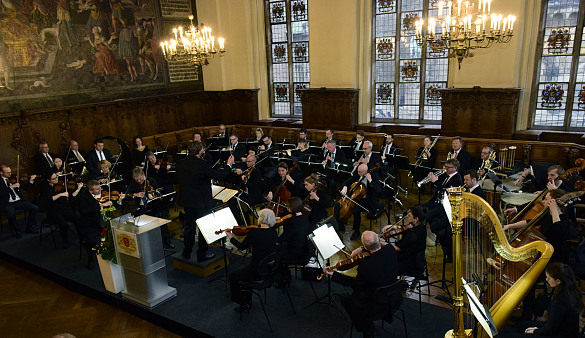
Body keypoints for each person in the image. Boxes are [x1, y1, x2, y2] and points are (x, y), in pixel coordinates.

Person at [324, 230, 398, 338]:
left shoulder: (366, 268)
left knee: (346, 298)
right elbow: (382, 245)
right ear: (378, 239)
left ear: (366, 248)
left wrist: (334, 275)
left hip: (374, 302)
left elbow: (354, 284)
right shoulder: (390, 249)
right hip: (393, 296)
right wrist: (365, 247)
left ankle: (365, 326)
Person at [175, 141, 234, 261]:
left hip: (187, 200)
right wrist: (228, 165)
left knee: (189, 227)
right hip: (202, 202)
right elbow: (219, 176)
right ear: (200, 150)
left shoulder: (181, 163)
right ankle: (201, 254)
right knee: (203, 228)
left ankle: (187, 252)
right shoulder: (203, 164)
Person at [500, 262, 583, 337]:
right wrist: (537, 328)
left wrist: (535, 331)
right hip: (559, 329)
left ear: (558, 281)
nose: (546, 280)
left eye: (549, 278)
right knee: (521, 325)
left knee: (507, 336)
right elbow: (553, 324)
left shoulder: (560, 301)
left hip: (558, 335)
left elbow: (549, 330)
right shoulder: (572, 291)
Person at [226, 208, 278, 312]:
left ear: (260, 219)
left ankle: (243, 302)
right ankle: (246, 298)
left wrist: (231, 237)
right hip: (268, 269)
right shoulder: (274, 232)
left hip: (256, 271)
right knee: (244, 272)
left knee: (233, 276)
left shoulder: (254, 233)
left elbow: (241, 247)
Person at [503, 189, 572, 264]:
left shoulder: (563, 218)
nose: (543, 201)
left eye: (546, 199)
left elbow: (558, 235)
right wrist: (509, 226)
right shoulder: (548, 214)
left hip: (554, 258)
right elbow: (529, 222)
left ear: (553, 202)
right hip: (543, 252)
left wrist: (554, 210)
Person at [119, 167, 174, 248]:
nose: (139, 181)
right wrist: (135, 195)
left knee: (161, 220)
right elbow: (127, 195)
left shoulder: (151, 180)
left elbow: (158, 193)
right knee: (138, 220)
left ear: (143, 175)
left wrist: (152, 195)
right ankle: (145, 243)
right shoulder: (133, 183)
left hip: (154, 205)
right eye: (136, 180)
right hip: (141, 207)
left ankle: (166, 240)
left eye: (140, 179)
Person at [422, 159, 462, 262]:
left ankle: (439, 236)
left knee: (429, 217)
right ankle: (436, 233)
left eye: (448, 167)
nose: (446, 169)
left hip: (446, 206)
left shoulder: (457, 179)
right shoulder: (445, 175)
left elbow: (445, 191)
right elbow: (438, 188)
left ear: (455, 168)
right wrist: (431, 179)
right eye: (446, 167)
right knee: (421, 210)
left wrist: (436, 181)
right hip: (437, 202)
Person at [77, 180, 118, 269]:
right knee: (90, 241)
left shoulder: (101, 193)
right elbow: (85, 210)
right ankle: (91, 259)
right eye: (97, 189)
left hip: (100, 220)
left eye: (100, 188)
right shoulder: (83, 197)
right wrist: (101, 205)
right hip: (89, 223)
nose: (100, 190)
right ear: (90, 190)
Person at [340, 164, 384, 240]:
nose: (358, 173)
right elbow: (347, 181)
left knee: (355, 211)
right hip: (359, 198)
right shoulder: (357, 175)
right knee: (350, 208)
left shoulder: (374, 176)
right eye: (358, 171)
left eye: (360, 172)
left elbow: (378, 191)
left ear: (365, 172)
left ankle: (356, 231)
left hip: (370, 200)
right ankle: (346, 223)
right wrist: (344, 187)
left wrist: (370, 181)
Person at [40, 172, 83, 248]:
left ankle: (82, 238)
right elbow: (49, 200)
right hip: (53, 211)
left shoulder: (61, 185)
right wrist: (60, 194)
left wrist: (79, 188)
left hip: (63, 208)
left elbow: (72, 196)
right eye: (54, 178)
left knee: (77, 219)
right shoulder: (45, 188)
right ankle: (65, 242)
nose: (56, 179)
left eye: (56, 177)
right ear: (48, 180)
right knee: (63, 223)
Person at [382, 206, 426, 276]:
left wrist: (381, 243)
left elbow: (397, 248)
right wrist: (392, 226)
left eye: (409, 216)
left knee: (384, 264)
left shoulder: (412, 236)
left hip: (409, 264)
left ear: (416, 219)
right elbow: (404, 228)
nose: (406, 217)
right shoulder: (421, 227)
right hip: (416, 259)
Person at [0, 165, 38, 237]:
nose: (10, 174)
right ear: (1, 173)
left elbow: (27, 188)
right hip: (7, 203)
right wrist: (10, 187)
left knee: (34, 208)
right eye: (7, 173)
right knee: (11, 213)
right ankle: (17, 230)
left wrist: (31, 180)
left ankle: (30, 227)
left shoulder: (14, 179)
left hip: (18, 201)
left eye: (10, 172)